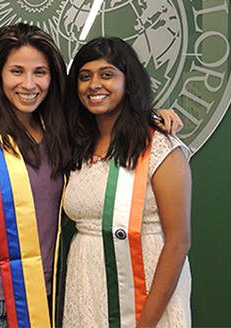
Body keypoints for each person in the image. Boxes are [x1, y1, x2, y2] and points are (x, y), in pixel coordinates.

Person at [0, 22, 183, 328]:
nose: (29, 84)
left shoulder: (63, 138)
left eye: (39, 72)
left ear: (52, 78)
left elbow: (112, 115)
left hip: (47, 300)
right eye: (17, 71)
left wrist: (152, 113)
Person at [61, 37, 192, 328]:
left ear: (129, 83)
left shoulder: (159, 147)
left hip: (145, 296)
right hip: (86, 289)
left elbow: (179, 241)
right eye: (85, 77)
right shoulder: (76, 146)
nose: (94, 84)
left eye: (107, 74)